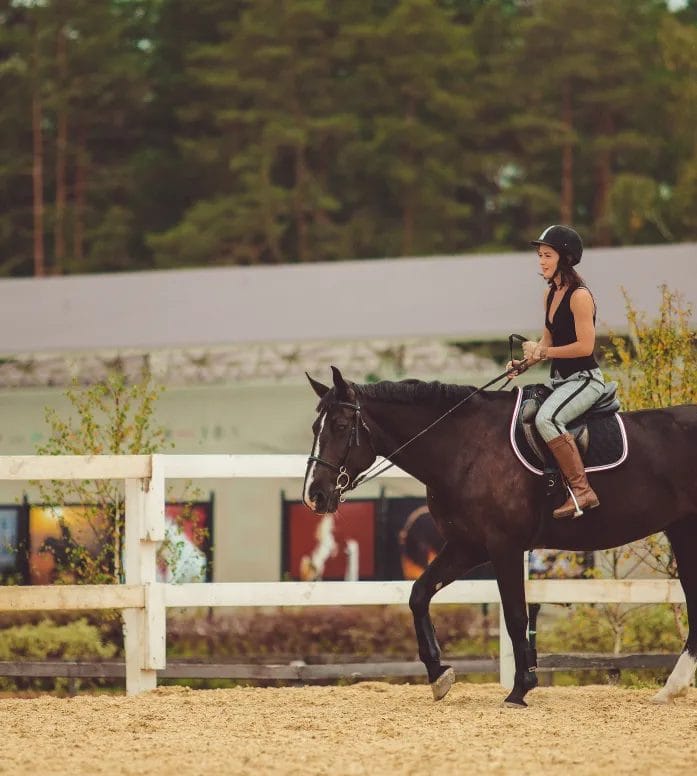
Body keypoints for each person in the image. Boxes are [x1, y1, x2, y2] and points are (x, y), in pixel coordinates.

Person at [507, 225, 604, 519]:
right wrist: (523, 365)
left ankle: (582, 490)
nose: (542, 261)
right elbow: (547, 342)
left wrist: (544, 352)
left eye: (547, 255)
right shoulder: (551, 295)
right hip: (561, 381)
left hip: (585, 380)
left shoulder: (579, 296)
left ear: (565, 257)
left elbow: (585, 347)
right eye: (540, 255)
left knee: (547, 419)